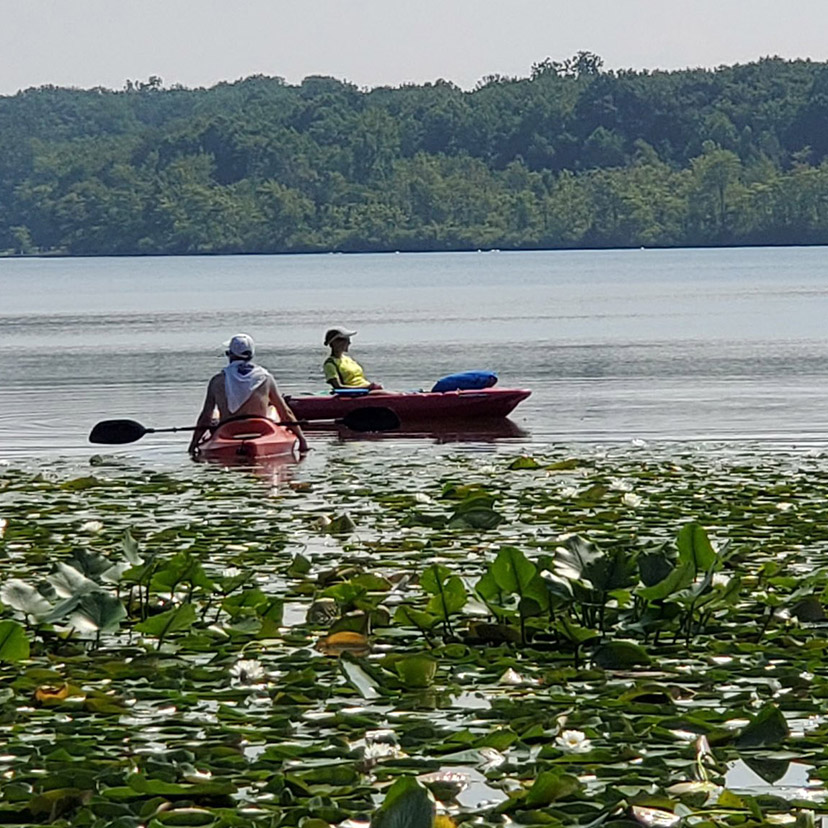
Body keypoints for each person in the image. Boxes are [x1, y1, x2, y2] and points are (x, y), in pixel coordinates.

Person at [188, 333, 309, 455]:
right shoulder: (265, 378)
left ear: (230, 355)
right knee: (273, 410)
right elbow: (285, 413)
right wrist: (302, 440)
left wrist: (193, 445)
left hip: (228, 429)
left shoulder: (217, 380)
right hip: (261, 429)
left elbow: (205, 417)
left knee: (214, 415)